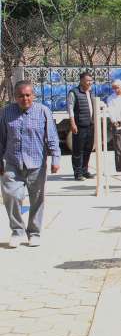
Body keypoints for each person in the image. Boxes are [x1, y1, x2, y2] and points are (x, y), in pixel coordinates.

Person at [0, 81, 61, 248]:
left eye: (28, 95)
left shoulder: (43, 111)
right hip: (11, 162)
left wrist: (56, 158)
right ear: (15, 97)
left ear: (33, 95)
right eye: (20, 96)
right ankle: (17, 231)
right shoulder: (6, 113)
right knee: (11, 196)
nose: (24, 98)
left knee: (37, 199)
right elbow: (1, 140)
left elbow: (52, 137)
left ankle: (34, 233)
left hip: (36, 164)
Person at [67, 72, 94, 181]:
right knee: (78, 150)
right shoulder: (74, 92)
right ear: (81, 81)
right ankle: (77, 173)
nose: (90, 82)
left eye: (91, 80)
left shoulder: (90, 92)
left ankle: (85, 170)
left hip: (90, 125)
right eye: (87, 80)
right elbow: (70, 109)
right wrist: (73, 124)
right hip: (79, 125)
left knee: (88, 149)